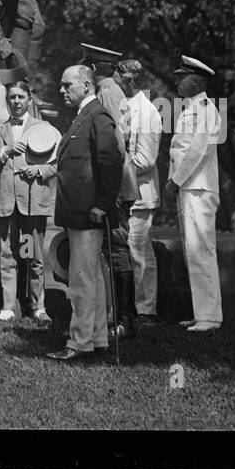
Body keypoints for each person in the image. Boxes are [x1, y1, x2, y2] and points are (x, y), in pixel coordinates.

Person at [47, 65, 124, 362]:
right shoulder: (84, 116)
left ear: (87, 86)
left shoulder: (98, 117)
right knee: (92, 277)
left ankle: (79, 342)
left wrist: (104, 203)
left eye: (68, 85)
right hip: (80, 211)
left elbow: (112, 161)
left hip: (89, 213)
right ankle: (96, 338)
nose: (62, 90)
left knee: (82, 279)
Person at [0, 80, 61, 324]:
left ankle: (37, 306)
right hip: (7, 202)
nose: (16, 102)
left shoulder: (44, 128)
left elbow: (59, 162)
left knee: (32, 255)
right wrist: (5, 151)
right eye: (12, 98)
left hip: (32, 201)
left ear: (29, 99)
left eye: (21, 97)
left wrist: (39, 171)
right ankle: (8, 306)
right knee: (7, 254)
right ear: (6, 101)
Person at [82, 41, 138, 339]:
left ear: (92, 69)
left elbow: (113, 144)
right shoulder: (112, 91)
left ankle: (124, 319)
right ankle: (123, 316)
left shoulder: (105, 91)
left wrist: (107, 188)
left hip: (113, 183)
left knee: (116, 249)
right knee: (114, 248)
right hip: (116, 181)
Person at [165, 55, 225, 332]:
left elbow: (196, 151)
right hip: (190, 187)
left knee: (201, 250)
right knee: (193, 251)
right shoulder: (191, 108)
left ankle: (210, 317)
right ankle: (202, 313)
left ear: (195, 80)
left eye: (182, 77)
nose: (177, 81)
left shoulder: (206, 109)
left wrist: (175, 181)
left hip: (197, 187)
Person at [114, 58, 163, 324]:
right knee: (126, 251)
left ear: (130, 80)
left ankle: (146, 309)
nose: (113, 82)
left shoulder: (147, 113)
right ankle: (127, 307)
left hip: (140, 194)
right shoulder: (124, 106)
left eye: (117, 77)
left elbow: (145, 159)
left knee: (139, 252)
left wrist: (113, 166)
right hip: (124, 194)